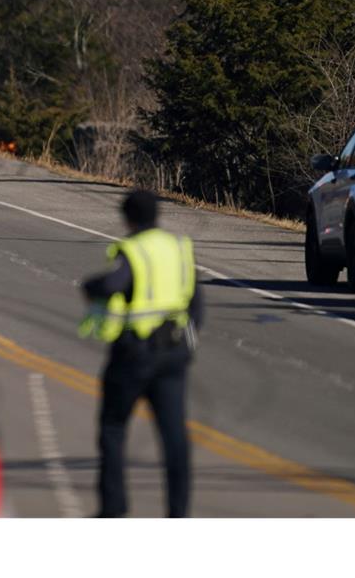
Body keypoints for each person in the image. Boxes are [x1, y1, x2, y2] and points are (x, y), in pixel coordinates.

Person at [79, 189, 202, 518]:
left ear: (127, 217)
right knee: (174, 437)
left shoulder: (134, 250)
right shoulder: (178, 248)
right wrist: (186, 347)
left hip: (135, 353)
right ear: (158, 215)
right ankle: (178, 513)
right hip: (173, 353)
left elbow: (113, 284)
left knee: (113, 428)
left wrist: (90, 286)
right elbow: (195, 303)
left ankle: (113, 509)